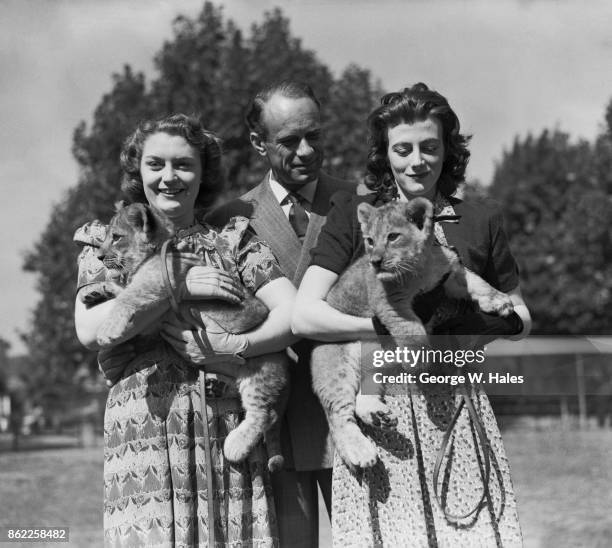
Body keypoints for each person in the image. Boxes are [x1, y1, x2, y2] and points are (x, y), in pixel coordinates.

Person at [292, 83, 532, 547]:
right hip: (380, 406)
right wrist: (392, 330)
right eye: (402, 149)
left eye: (430, 147)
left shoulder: (481, 217)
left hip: (459, 406)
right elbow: (304, 316)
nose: (417, 161)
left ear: (449, 150)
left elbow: (521, 316)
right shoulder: (353, 214)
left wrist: (494, 325)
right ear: (386, 152)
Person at [73, 114, 297, 547]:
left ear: (203, 173)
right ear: (138, 170)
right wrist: (177, 283)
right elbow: (91, 328)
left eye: (184, 165)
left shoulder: (234, 241)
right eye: (156, 164)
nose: (169, 177)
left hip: (225, 422)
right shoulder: (107, 240)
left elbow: (293, 314)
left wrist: (234, 345)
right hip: (144, 428)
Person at [205, 81, 355, 547]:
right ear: (258, 143)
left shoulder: (360, 204)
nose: (306, 150)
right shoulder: (230, 220)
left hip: (349, 406)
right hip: (274, 416)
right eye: (289, 141)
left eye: (314, 135)